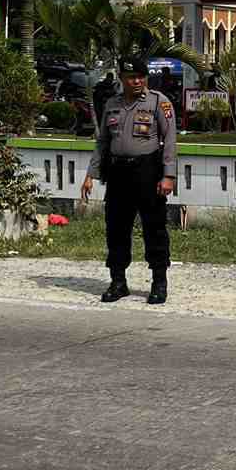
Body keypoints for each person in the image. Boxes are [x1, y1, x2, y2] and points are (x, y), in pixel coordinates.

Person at [80, 56, 178, 304]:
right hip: (118, 173)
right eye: (131, 77)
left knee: (154, 227)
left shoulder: (158, 101)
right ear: (122, 78)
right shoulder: (112, 103)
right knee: (116, 227)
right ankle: (118, 281)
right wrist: (91, 174)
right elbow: (103, 141)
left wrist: (168, 175)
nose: (136, 82)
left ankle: (159, 281)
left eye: (141, 77)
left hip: (147, 171)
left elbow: (170, 140)